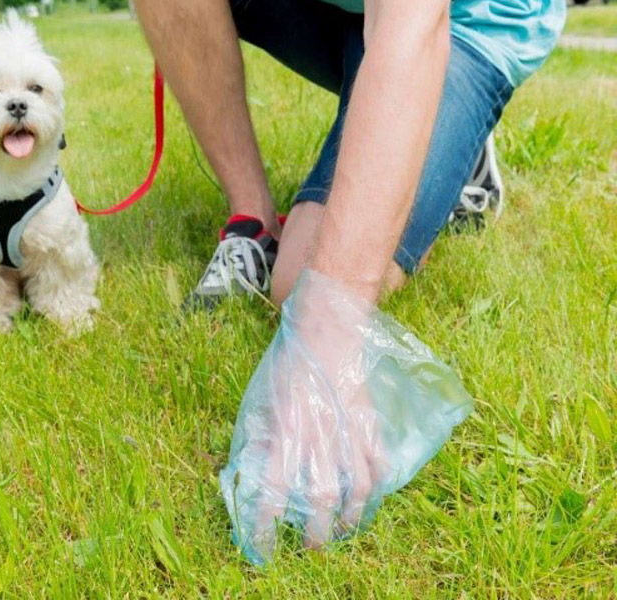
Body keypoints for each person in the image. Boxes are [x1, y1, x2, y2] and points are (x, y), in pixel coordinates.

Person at [132, 0, 565, 559]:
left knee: (300, 282)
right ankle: (253, 221)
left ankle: (455, 140)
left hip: (458, 23)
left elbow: (411, 16)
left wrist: (327, 329)